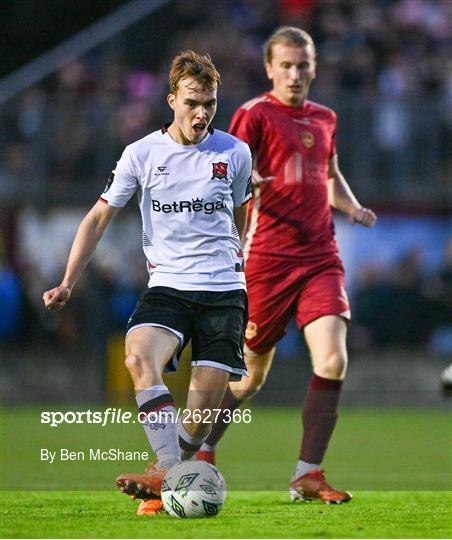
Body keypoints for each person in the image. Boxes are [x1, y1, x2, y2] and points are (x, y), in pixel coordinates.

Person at [43, 50, 252, 515]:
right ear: (171, 99)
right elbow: (99, 217)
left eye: (211, 104)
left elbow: (242, 209)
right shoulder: (141, 154)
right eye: (193, 102)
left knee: (200, 417)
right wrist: (68, 281)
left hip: (222, 290)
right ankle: (165, 469)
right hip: (168, 287)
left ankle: (166, 477)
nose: (202, 113)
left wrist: (236, 257)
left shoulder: (235, 152)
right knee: (137, 355)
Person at [196, 27, 377, 504]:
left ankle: (307, 474)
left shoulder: (325, 118)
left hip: (320, 257)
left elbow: (330, 175)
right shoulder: (254, 115)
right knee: (249, 378)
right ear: (270, 68)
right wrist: (245, 177)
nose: (295, 74)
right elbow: (225, 168)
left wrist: (353, 208)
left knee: (334, 358)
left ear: (314, 68)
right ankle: (200, 452)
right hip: (267, 261)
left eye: (303, 65)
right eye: (287, 65)